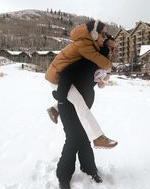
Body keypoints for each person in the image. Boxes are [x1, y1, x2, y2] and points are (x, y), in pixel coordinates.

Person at [55, 39, 115, 189]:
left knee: (83, 136)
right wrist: (60, 97)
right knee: (73, 139)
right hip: (67, 106)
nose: (112, 51)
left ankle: (89, 169)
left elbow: (84, 82)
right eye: (110, 48)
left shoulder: (98, 65)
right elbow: (66, 74)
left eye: (113, 48)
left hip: (82, 105)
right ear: (102, 49)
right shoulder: (87, 61)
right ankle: (63, 176)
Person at [45, 21, 117, 149]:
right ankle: (98, 138)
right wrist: (109, 64)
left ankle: (54, 109)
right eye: (103, 34)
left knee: (77, 99)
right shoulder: (85, 44)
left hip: (61, 78)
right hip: (57, 78)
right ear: (94, 34)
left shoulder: (88, 43)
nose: (104, 37)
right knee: (80, 104)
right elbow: (101, 61)